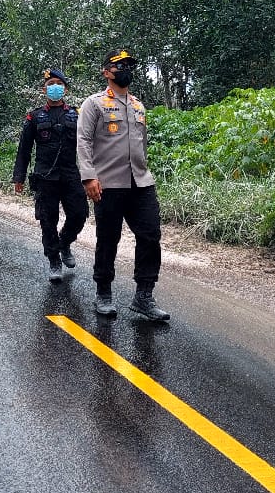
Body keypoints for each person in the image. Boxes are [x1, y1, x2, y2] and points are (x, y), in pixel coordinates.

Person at [77, 48, 169, 321]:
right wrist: (89, 177)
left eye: (129, 65)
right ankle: (103, 292)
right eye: (120, 65)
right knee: (108, 239)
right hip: (108, 183)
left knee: (151, 235)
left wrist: (144, 169)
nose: (126, 69)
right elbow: (84, 142)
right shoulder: (93, 104)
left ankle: (144, 296)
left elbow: (142, 143)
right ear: (107, 72)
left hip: (140, 182)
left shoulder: (139, 105)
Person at [13, 68, 89, 282]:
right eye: (50, 84)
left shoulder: (77, 114)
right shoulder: (35, 116)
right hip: (45, 177)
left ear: (65, 88)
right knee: (48, 220)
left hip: (70, 174)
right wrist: (18, 177)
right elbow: (24, 149)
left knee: (79, 214)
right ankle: (54, 260)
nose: (54, 87)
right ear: (44, 89)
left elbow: (87, 145)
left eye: (58, 83)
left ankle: (64, 242)